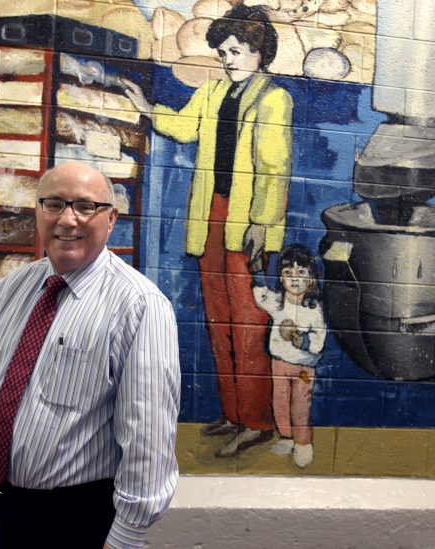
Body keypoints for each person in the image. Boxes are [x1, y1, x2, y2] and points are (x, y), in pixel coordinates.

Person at [0, 160, 180, 548]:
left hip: (75, 521)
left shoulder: (140, 305)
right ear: (38, 212)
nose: (68, 220)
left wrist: (128, 534)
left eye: (85, 206)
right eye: (54, 204)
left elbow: (148, 434)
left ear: (111, 218)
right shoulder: (12, 288)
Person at [122, 5, 293, 458]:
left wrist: (261, 223)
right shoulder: (214, 93)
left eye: (236, 51)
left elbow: (275, 170)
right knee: (220, 322)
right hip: (211, 217)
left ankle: (256, 421)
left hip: (249, 224)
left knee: (249, 325)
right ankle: (234, 412)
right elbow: (183, 127)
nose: (228, 60)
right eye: (222, 53)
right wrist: (146, 108)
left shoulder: (275, 99)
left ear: (259, 51)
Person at [252, 244, 326, 468]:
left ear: (311, 279)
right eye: (287, 273)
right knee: (280, 402)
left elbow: (319, 340)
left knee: (300, 406)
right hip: (280, 364)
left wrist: (302, 341)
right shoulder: (278, 303)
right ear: (282, 280)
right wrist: (257, 271)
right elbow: (260, 295)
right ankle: (287, 436)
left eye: (301, 273)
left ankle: (303, 443)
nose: (294, 279)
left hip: (304, 368)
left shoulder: (313, 309)